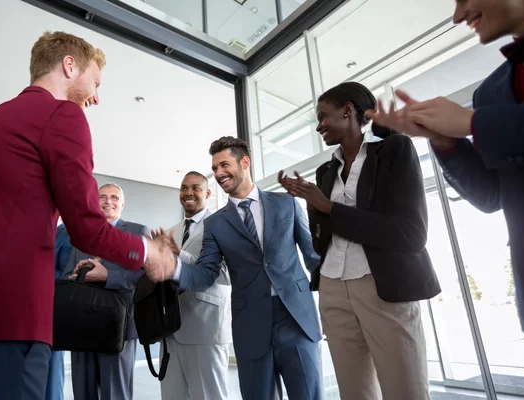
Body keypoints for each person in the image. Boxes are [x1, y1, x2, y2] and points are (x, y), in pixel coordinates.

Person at [0, 31, 174, 400]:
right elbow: (87, 227)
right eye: (95, 82)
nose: (96, 96)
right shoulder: (63, 115)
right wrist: (150, 253)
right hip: (5, 319)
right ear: (69, 65)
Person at [365, 0, 524, 336]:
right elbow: (491, 196)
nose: (457, 16)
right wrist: (445, 141)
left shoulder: (480, 111)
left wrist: (472, 122)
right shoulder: (490, 92)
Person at [279, 82, 441, 400]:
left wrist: (329, 207)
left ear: (348, 111)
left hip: (383, 286)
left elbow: (411, 233)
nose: (318, 125)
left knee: (405, 390)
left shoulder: (395, 150)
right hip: (333, 288)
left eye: (323, 115)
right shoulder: (327, 170)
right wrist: (313, 204)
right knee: (355, 392)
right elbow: (321, 240)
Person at [150, 137, 324, 400]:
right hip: (250, 324)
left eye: (224, 165)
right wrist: (173, 269)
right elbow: (206, 274)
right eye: (215, 168)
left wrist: (335, 303)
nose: (219, 173)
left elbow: (313, 258)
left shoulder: (286, 203)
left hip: (296, 319)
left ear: (245, 162)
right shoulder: (216, 223)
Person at [63, 183, 148, 400]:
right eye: (102, 197)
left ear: (122, 203)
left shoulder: (138, 232)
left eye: (114, 197)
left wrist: (108, 276)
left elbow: (144, 277)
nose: (108, 201)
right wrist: (73, 279)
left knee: (115, 393)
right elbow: (66, 275)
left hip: (119, 325)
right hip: (82, 326)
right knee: (83, 391)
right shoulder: (80, 236)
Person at [160, 171, 231, 400]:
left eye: (195, 188)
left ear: (208, 193)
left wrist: (181, 256)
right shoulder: (171, 230)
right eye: (183, 188)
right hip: (169, 329)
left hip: (205, 328)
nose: (188, 193)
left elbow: (228, 274)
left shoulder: (222, 224)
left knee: (209, 396)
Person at [46, 221, 72, 400]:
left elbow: (68, 274)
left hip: (52, 311)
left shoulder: (68, 233)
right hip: (22, 309)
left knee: (51, 372)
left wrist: (35, 271)